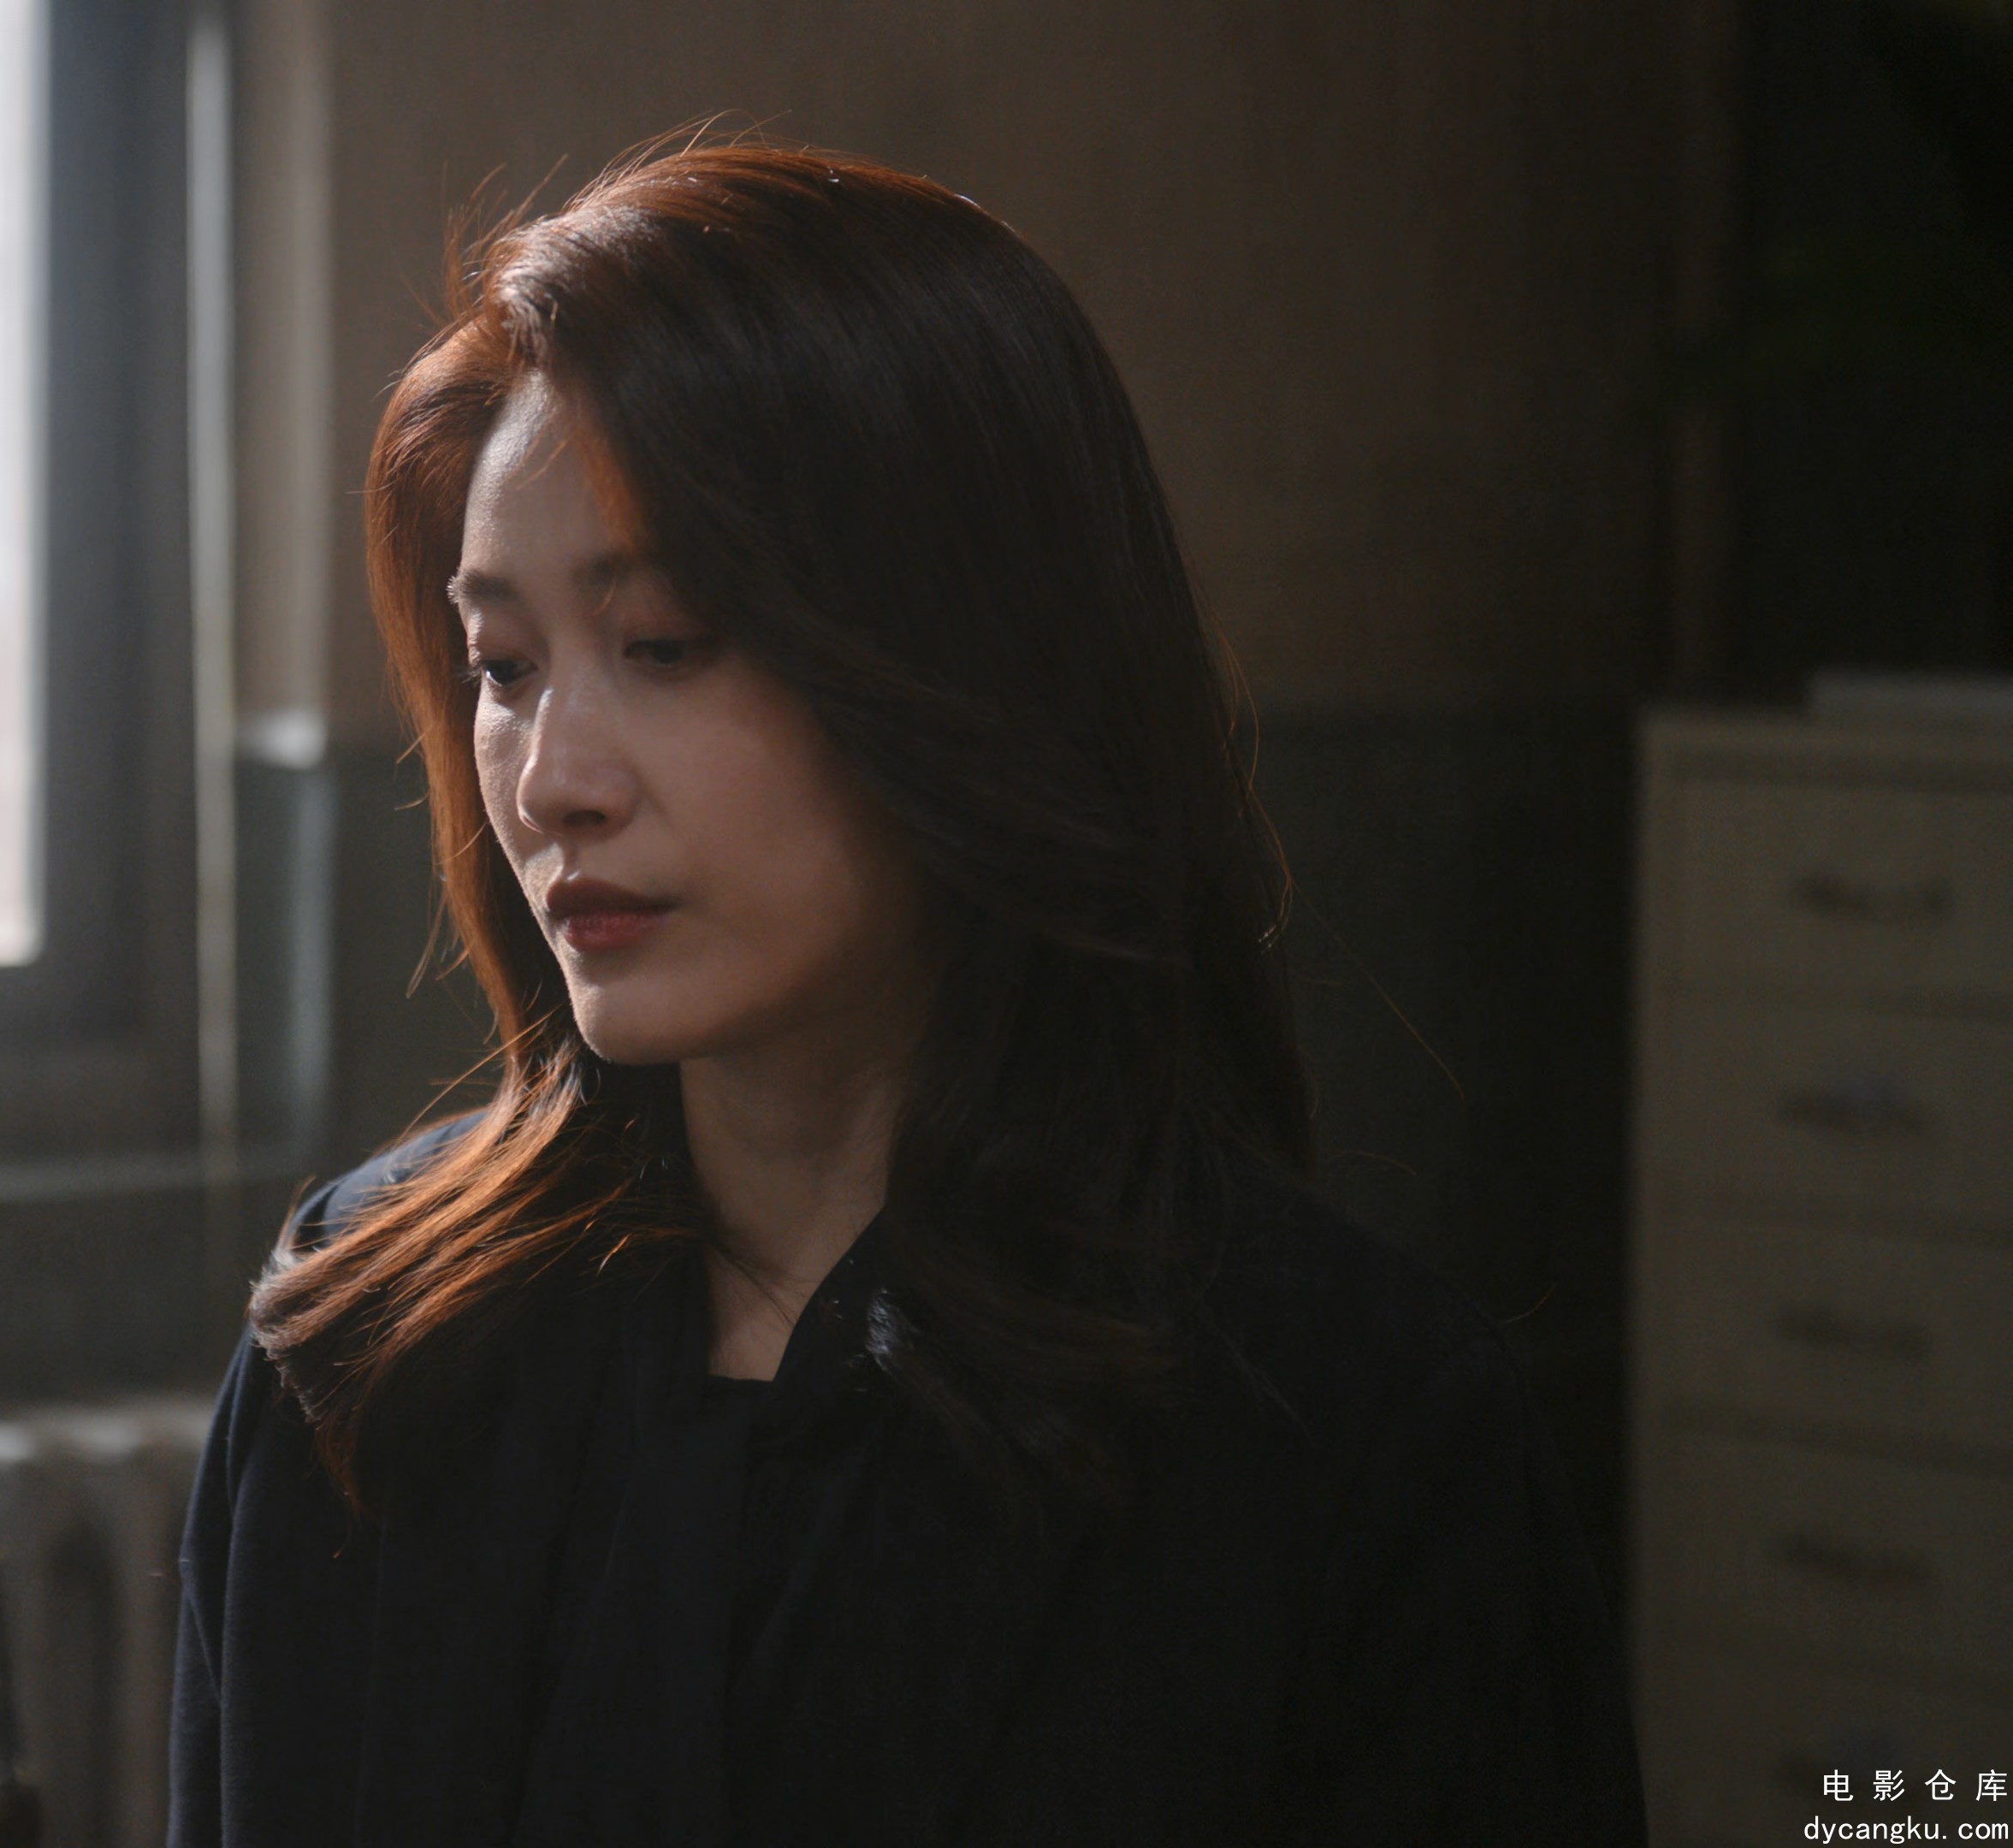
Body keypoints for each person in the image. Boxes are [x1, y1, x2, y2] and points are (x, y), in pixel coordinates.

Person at [165, 139, 1643, 1846]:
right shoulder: (369, 1363)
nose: (554, 778)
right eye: (502, 665)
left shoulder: (1343, 1438)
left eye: (665, 644)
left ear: (967, 663)